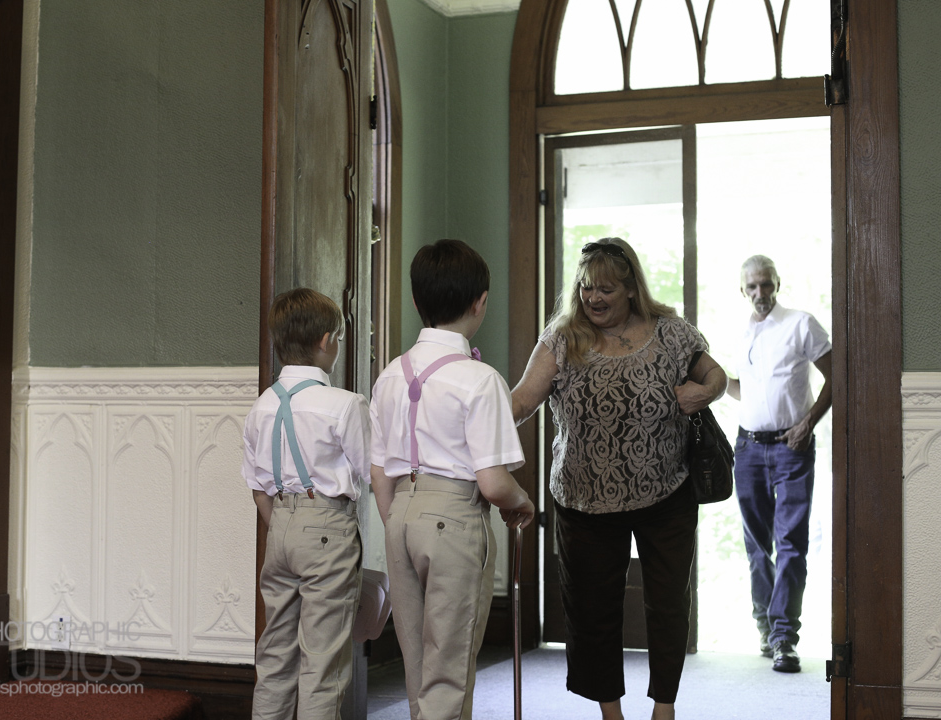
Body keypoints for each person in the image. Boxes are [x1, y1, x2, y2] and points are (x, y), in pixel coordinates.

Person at [511, 237, 726, 720]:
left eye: (605, 288)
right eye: (586, 287)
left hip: (666, 491)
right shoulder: (562, 339)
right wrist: (473, 405)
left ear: (630, 289)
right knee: (593, 611)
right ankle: (612, 713)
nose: (594, 297)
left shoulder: (672, 332)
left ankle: (664, 707)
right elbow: (521, 402)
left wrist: (704, 392)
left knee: (668, 604)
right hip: (583, 500)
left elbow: (715, 375)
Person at [369, 239, 535, 720]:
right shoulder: (480, 379)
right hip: (454, 520)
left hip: (399, 515)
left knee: (417, 662)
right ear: (480, 302)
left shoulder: (389, 376)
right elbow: (494, 484)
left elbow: (379, 469)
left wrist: (399, 517)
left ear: (416, 301)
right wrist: (522, 501)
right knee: (448, 667)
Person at [242, 287, 370, 720]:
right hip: (327, 528)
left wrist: (286, 523)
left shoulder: (261, 407)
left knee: (275, 657)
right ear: (326, 342)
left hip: (278, 526)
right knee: (323, 662)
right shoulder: (344, 405)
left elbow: (258, 489)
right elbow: (373, 473)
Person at [726, 255, 832, 674]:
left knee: (790, 543)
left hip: (792, 447)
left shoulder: (801, 324)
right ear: (743, 290)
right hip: (748, 449)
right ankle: (765, 628)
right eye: (752, 286)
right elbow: (746, 389)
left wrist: (808, 423)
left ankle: (785, 638)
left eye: (766, 284)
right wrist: (713, 382)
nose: (760, 293)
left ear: (777, 284)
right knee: (757, 546)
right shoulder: (740, 332)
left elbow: (836, 375)